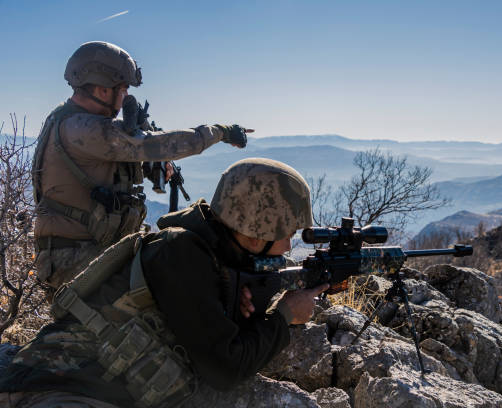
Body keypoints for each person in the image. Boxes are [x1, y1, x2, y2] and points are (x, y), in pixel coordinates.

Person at [0, 158, 327, 408]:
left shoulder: (211, 253)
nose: (287, 247)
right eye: (284, 233)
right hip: (59, 387)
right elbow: (225, 369)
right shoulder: (181, 253)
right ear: (256, 225)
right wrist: (284, 316)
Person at [32, 41, 251, 292]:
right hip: (76, 259)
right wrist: (220, 132)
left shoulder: (77, 122)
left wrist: (146, 167)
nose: (125, 96)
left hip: (95, 250)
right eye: (123, 89)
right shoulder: (81, 128)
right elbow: (161, 144)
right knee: (180, 292)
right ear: (103, 89)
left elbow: (108, 161)